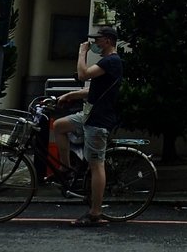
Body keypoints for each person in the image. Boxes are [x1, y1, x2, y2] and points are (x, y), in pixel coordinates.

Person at [53, 25, 123, 227]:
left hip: (98, 120)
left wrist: (82, 53)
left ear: (108, 41)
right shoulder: (107, 62)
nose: (95, 44)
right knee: (59, 126)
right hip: (87, 115)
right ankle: (66, 169)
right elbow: (93, 89)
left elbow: (83, 75)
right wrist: (69, 95)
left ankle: (95, 212)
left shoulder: (112, 61)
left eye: (97, 40)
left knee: (96, 164)